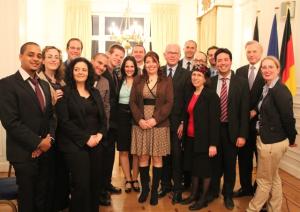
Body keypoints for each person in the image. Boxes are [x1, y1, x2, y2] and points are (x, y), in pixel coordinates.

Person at [0, 42, 55, 212]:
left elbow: (52, 116)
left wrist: (48, 140)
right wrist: (37, 143)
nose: (36, 59)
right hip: (23, 153)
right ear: (20, 57)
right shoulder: (6, 84)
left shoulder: (45, 85)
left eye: (39, 56)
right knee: (27, 198)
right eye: (31, 55)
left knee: (42, 196)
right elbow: (11, 122)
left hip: (45, 151)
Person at [55, 57, 107, 212]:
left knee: (95, 183)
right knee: (81, 184)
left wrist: (100, 135)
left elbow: (103, 118)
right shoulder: (64, 93)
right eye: (76, 69)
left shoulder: (95, 92)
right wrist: (86, 139)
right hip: (74, 145)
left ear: (89, 72)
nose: (80, 72)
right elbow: (64, 122)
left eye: (84, 69)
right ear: (71, 72)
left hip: (96, 143)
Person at [247, 56, 297, 212]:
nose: (266, 70)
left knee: (263, 181)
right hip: (266, 138)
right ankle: (275, 208)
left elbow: (288, 117)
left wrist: (292, 138)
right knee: (273, 177)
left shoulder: (280, 90)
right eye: (264, 67)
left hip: (272, 142)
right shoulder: (267, 87)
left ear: (278, 69)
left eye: (270, 67)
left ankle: (253, 209)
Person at [130, 51, 173, 205]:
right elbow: (133, 102)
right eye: (147, 62)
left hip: (159, 124)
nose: (150, 64)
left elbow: (169, 103)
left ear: (157, 63)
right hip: (140, 122)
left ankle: (155, 191)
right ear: (144, 64)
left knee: (156, 158)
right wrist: (140, 119)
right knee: (143, 156)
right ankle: (145, 189)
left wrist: (155, 119)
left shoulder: (166, 80)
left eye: (153, 61)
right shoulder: (138, 79)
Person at [209, 48, 249, 210]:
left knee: (230, 165)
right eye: (219, 60)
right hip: (214, 130)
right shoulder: (210, 82)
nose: (223, 63)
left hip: (232, 131)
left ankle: (228, 195)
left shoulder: (241, 82)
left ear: (230, 61)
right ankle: (213, 191)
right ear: (215, 63)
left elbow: (244, 111)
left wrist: (242, 135)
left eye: (226, 60)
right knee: (214, 163)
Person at [181, 65, 220, 210]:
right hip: (191, 138)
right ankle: (193, 196)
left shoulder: (211, 95)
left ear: (205, 79)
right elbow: (188, 115)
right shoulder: (191, 93)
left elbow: (214, 122)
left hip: (205, 140)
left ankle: (203, 199)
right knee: (194, 169)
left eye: (199, 75)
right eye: (194, 75)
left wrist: (213, 144)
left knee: (204, 170)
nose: (195, 78)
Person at [38, 46, 69, 211]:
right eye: (49, 56)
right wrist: (54, 102)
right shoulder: (38, 80)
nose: (53, 60)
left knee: (62, 169)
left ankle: (61, 203)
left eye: (56, 57)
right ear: (43, 60)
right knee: (48, 171)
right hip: (49, 132)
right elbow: (38, 109)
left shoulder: (61, 80)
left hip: (63, 131)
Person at [159, 43, 190, 204]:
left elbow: (188, 101)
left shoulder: (187, 74)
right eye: (169, 52)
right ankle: (165, 185)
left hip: (178, 123)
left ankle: (177, 188)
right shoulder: (159, 72)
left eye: (175, 53)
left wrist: (184, 122)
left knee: (177, 157)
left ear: (180, 56)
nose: (172, 55)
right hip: (160, 122)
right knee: (163, 156)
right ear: (164, 54)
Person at [234, 40, 265, 198]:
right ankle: (245, 188)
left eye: (254, 51)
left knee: (261, 162)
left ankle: (259, 190)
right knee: (244, 159)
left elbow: (267, 97)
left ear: (260, 52)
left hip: (261, 126)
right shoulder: (239, 71)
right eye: (248, 52)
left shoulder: (266, 70)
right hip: (243, 125)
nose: (251, 54)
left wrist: (255, 110)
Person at [102, 43, 125, 195]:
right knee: (102, 157)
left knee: (109, 155)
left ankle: (107, 183)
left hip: (114, 123)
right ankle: (101, 190)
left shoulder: (115, 73)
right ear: (108, 54)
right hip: (105, 122)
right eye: (116, 55)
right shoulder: (102, 73)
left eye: (121, 57)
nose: (118, 59)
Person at [91, 52, 111, 206]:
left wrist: (104, 128)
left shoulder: (105, 82)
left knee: (99, 165)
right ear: (92, 61)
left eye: (105, 65)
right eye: (99, 63)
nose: (101, 67)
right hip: (82, 129)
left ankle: (98, 195)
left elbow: (106, 106)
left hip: (99, 130)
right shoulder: (81, 77)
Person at [117, 56, 140, 193]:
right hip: (121, 117)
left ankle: (135, 178)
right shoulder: (119, 81)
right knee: (124, 149)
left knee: (136, 149)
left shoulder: (140, 81)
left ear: (135, 68)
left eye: (132, 66)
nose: (129, 69)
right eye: (127, 66)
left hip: (136, 116)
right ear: (123, 67)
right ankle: (127, 179)